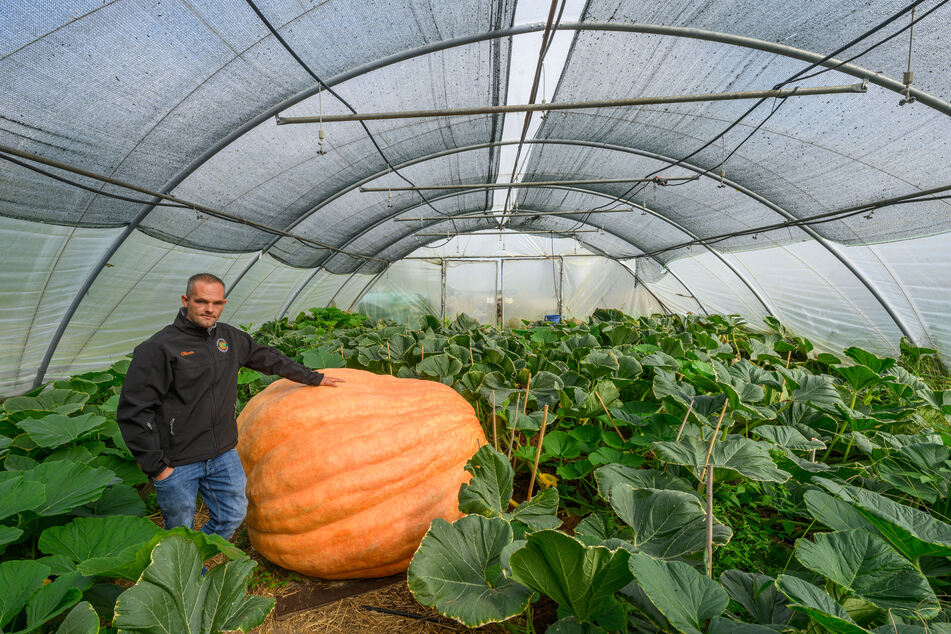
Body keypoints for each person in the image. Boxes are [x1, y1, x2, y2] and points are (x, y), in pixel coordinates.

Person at [117, 273, 343, 539]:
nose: (209, 309)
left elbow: (268, 358)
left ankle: (198, 561)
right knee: (179, 533)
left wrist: (314, 377)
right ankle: (183, 572)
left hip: (222, 453)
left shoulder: (229, 338)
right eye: (201, 301)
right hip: (178, 461)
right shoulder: (159, 348)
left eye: (217, 303)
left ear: (223, 303)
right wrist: (157, 466)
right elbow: (134, 410)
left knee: (233, 515)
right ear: (186, 300)